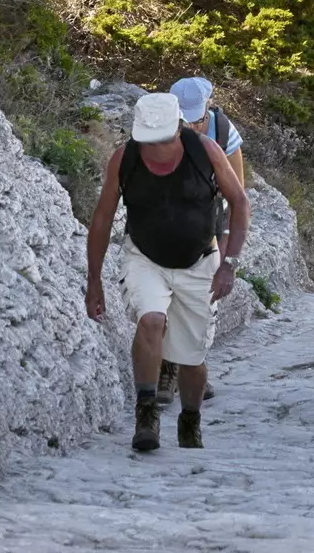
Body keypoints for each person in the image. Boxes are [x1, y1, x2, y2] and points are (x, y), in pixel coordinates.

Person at [85, 91, 249, 455]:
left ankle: (190, 417)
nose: (156, 148)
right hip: (144, 256)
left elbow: (239, 202)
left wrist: (229, 264)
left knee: (192, 358)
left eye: (163, 139)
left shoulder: (205, 152)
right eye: (149, 141)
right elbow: (102, 219)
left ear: (178, 129)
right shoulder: (123, 159)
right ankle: (146, 414)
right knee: (151, 320)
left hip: (199, 261)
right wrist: (94, 280)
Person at [159, 75, 246, 404]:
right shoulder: (160, 127)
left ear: (208, 105)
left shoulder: (224, 132)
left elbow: (238, 190)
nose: (191, 124)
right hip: (168, 219)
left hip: (211, 222)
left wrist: (227, 241)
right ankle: (167, 374)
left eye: (196, 117)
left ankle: (191, 366)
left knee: (203, 298)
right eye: (185, 117)